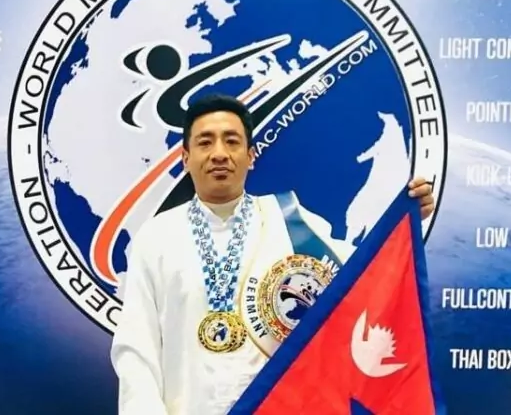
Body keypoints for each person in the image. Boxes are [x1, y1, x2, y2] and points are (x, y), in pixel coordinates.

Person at [110, 94, 436, 415]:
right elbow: (137, 348)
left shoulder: (291, 221)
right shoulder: (156, 238)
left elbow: (364, 279)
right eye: (205, 143)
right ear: (186, 158)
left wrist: (405, 220)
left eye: (232, 141)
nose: (219, 154)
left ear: (251, 156)